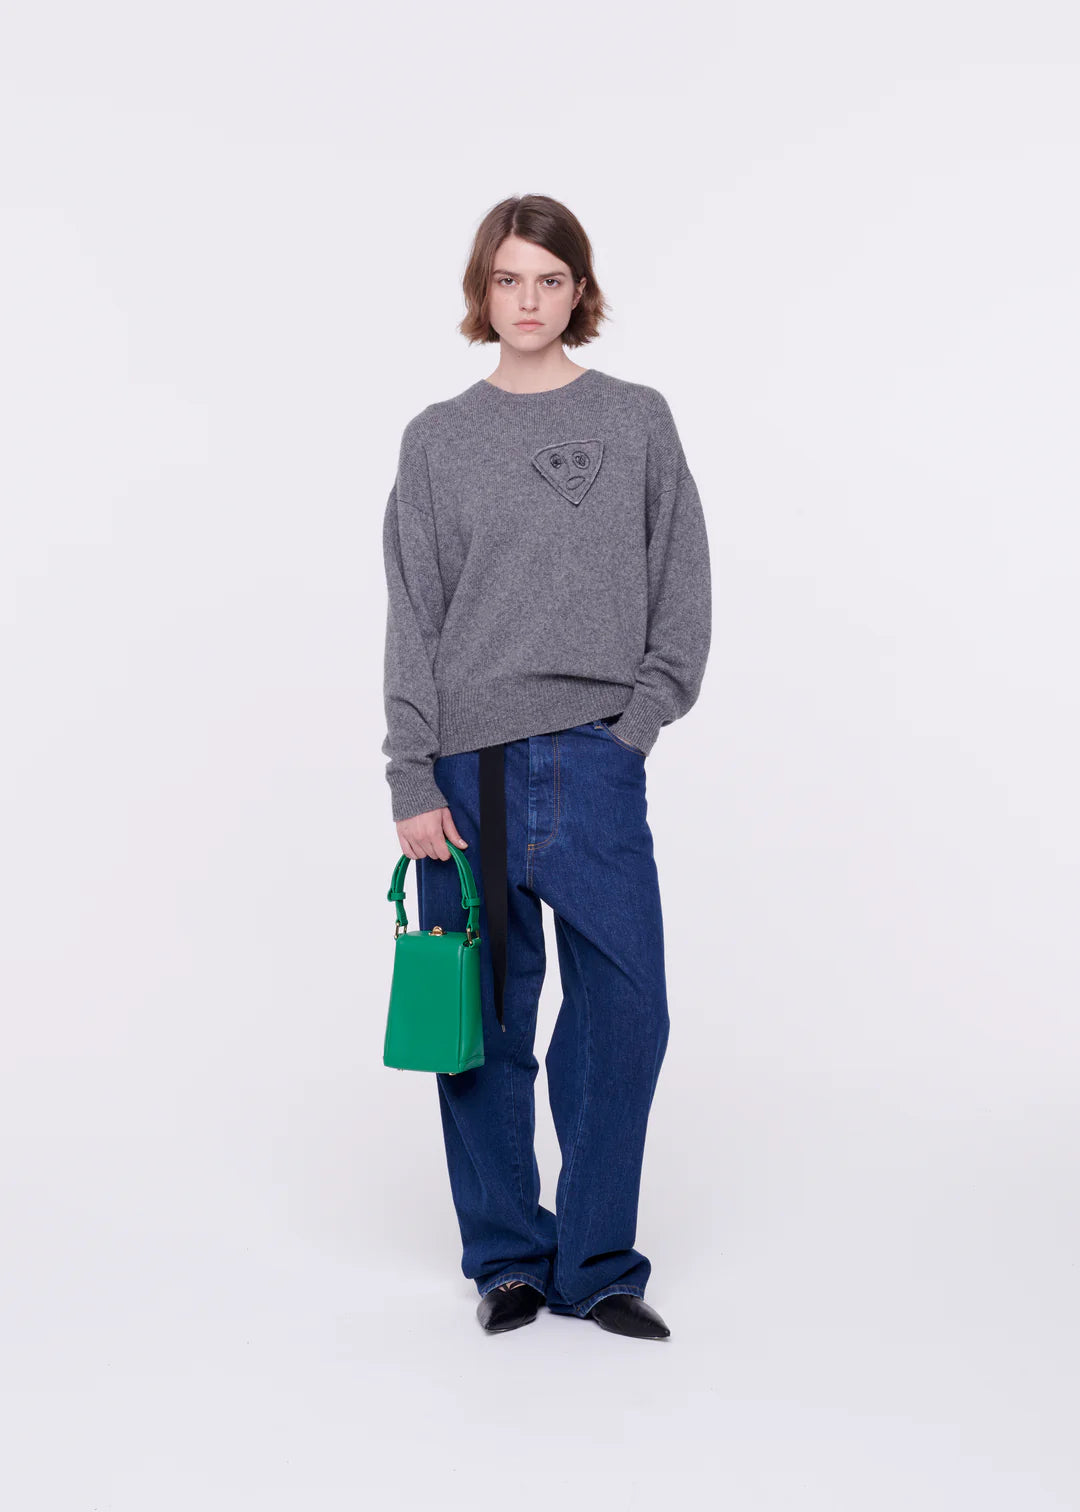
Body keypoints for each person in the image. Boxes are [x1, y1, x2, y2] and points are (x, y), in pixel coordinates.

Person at [381, 193, 712, 1340]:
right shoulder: (438, 439)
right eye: (509, 279)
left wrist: (637, 723)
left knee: (627, 1012)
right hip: (466, 772)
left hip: (594, 759)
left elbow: (682, 586)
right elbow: (413, 616)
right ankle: (509, 1259)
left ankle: (599, 1264)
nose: (529, 300)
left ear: (581, 289)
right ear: (484, 291)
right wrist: (410, 777)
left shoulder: (637, 420)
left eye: (551, 279)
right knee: (480, 1021)